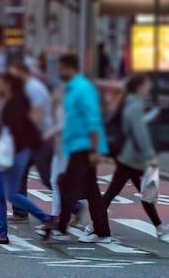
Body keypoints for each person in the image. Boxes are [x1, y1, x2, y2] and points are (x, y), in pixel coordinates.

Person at [97, 74, 169, 240]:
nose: (148, 89)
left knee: (141, 191)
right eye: (146, 85)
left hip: (130, 156)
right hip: (134, 157)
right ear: (139, 87)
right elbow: (139, 133)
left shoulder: (130, 103)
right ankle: (94, 224)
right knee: (125, 192)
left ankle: (160, 228)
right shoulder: (134, 105)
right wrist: (150, 157)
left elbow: (134, 126)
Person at [38, 53, 111, 243]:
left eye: (61, 68)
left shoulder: (82, 88)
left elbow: (92, 118)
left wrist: (94, 150)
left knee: (68, 184)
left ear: (71, 67)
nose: (59, 72)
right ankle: (100, 231)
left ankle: (62, 227)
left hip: (84, 145)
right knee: (89, 189)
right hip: (75, 145)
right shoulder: (71, 89)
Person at [0, 74, 52, 244]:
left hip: (14, 152)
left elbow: (14, 129)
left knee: (10, 193)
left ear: (7, 84)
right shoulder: (4, 101)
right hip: (7, 151)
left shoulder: (15, 104)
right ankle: (2, 234)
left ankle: (47, 219)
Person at [8, 63, 54, 221]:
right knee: (21, 173)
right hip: (33, 138)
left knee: (47, 177)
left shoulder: (34, 89)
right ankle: (20, 211)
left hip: (40, 139)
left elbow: (37, 115)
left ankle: (74, 205)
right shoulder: (27, 88)